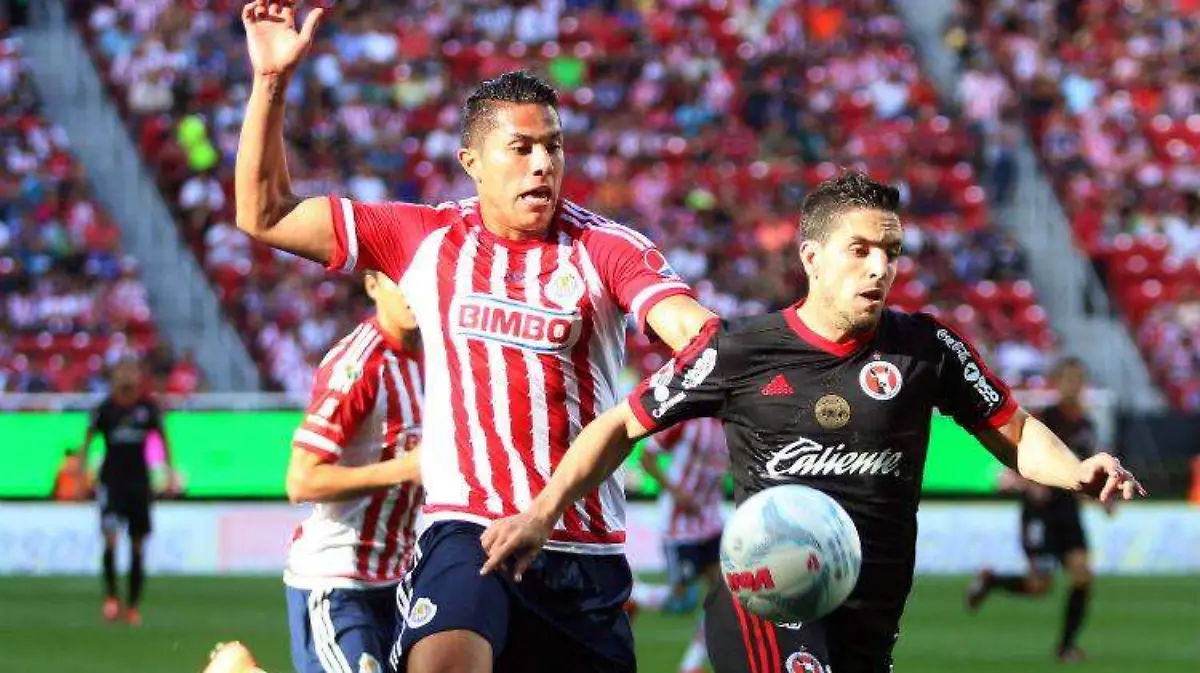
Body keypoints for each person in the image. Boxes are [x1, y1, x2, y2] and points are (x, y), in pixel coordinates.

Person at [479, 172, 1146, 673]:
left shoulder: (926, 349)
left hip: (870, 616)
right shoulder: (739, 350)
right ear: (812, 257)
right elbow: (620, 425)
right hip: (768, 600)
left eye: (891, 251)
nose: (879, 266)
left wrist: (1076, 471)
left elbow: (1016, 430)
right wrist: (541, 513)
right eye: (860, 249)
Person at [234, 3, 713, 672]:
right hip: (467, 531)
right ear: (472, 162)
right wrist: (270, 81)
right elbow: (264, 213)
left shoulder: (605, 248)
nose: (542, 164)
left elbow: (694, 334)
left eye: (553, 146)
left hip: (582, 551)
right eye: (521, 148)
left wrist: (698, 352)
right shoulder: (425, 239)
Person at [284, 270, 425, 673]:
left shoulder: (437, 357)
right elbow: (301, 480)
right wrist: (404, 469)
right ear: (372, 285)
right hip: (338, 580)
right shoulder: (359, 364)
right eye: (399, 279)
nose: (411, 292)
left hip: (399, 580)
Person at [965, 356, 1106, 662]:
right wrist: (1027, 484)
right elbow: (1017, 456)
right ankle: (991, 581)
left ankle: (1066, 647)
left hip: (1068, 511)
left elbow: (1086, 470)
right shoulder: (1044, 419)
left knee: (1082, 575)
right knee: (1038, 585)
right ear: (1057, 383)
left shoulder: (1087, 425)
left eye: (1079, 379)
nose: (1074, 385)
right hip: (1040, 512)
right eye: (1069, 379)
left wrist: (1102, 496)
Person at [78, 358, 176, 626]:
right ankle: (111, 598)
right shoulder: (104, 409)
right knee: (110, 540)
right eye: (122, 372)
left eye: (131, 371)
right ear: (113, 378)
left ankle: (133, 606)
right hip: (111, 485)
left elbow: (164, 440)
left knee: (137, 545)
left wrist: (169, 473)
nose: (127, 377)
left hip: (139, 485)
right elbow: (87, 442)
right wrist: (80, 477)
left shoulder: (147, 408)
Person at [629, 419, 729, 673]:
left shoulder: (731, 424)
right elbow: (647, 457)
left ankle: (690, 666)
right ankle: (634, 595)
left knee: (723, 597)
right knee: (682, 601)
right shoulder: (687, 422)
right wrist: (675, 491)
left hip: (711, 522)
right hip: (679, 525)